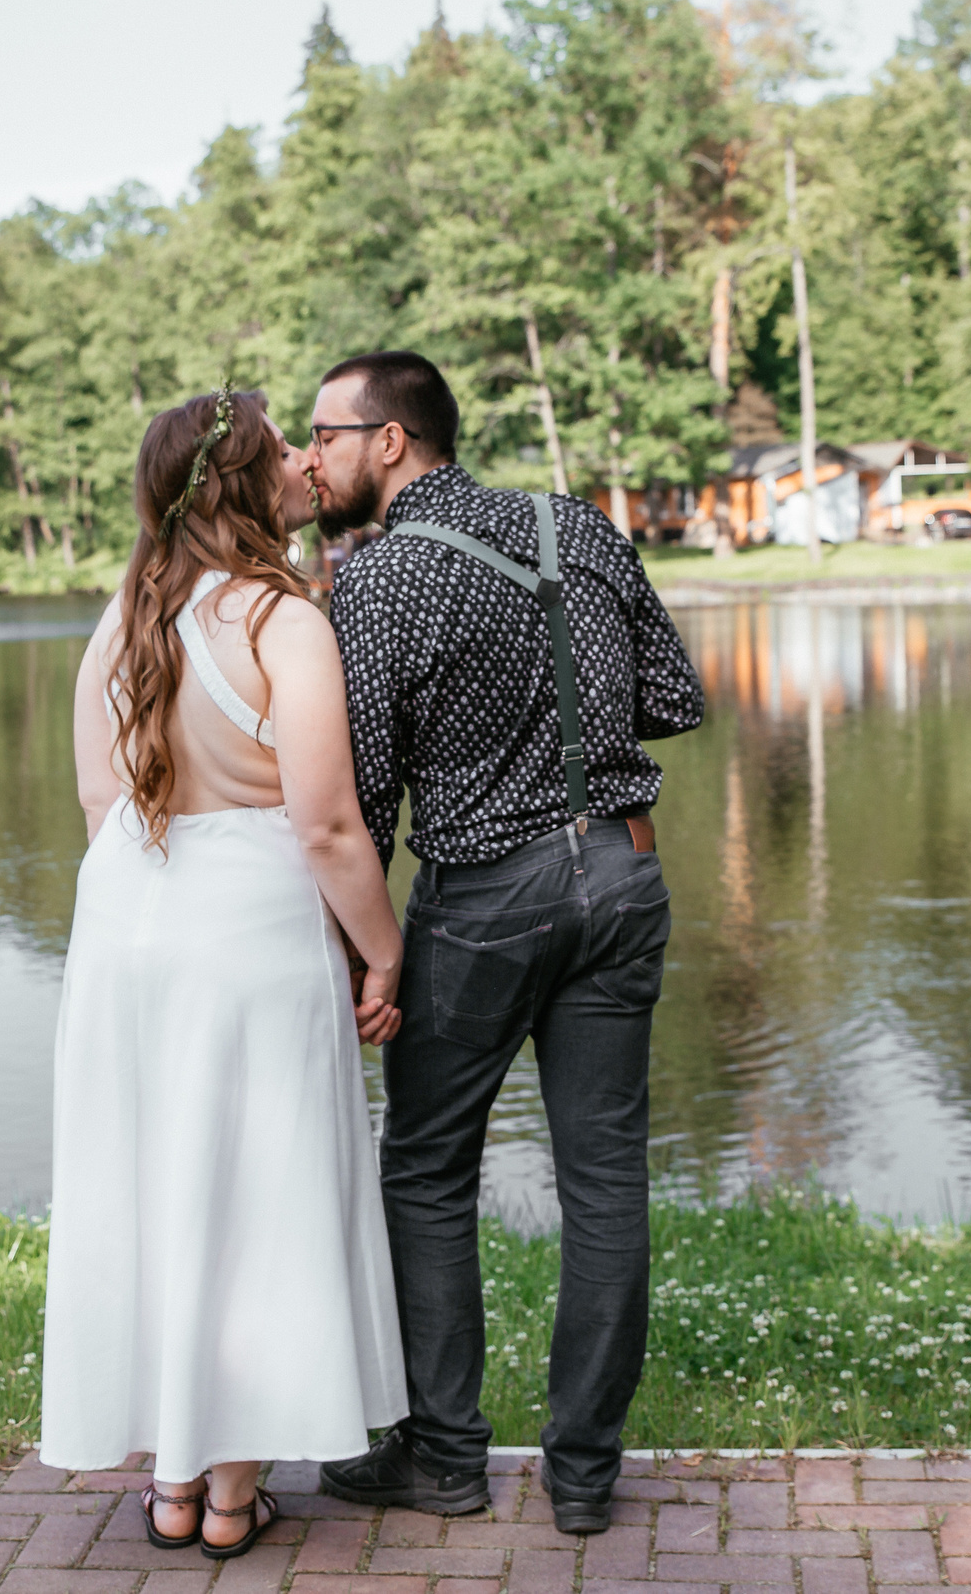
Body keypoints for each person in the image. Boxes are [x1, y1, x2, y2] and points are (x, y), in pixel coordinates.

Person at [299, 351, 705, 1536]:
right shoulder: (575, 526)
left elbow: (363, 807)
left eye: (326, 433)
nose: (311, 457)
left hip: (485, 896)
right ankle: (582, 1475)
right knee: (604, 1184)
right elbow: (672, 699)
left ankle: (445, 1455)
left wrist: (357, 959)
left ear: (391, 442)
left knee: (426, 1169)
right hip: (623, 875)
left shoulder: (375, 585)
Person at [40, 386, 408, 1559]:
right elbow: (328, 825)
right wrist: (383, 947)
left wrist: (146, 891)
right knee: (258, 1189)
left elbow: (102, 801)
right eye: (284, 451)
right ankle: (233, 1495)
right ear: (247, 486)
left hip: (130, 917)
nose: (309, 461)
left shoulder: (125, 616)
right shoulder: (284, 620)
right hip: (247, 922)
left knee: (155, 1182)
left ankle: (172, 1481)